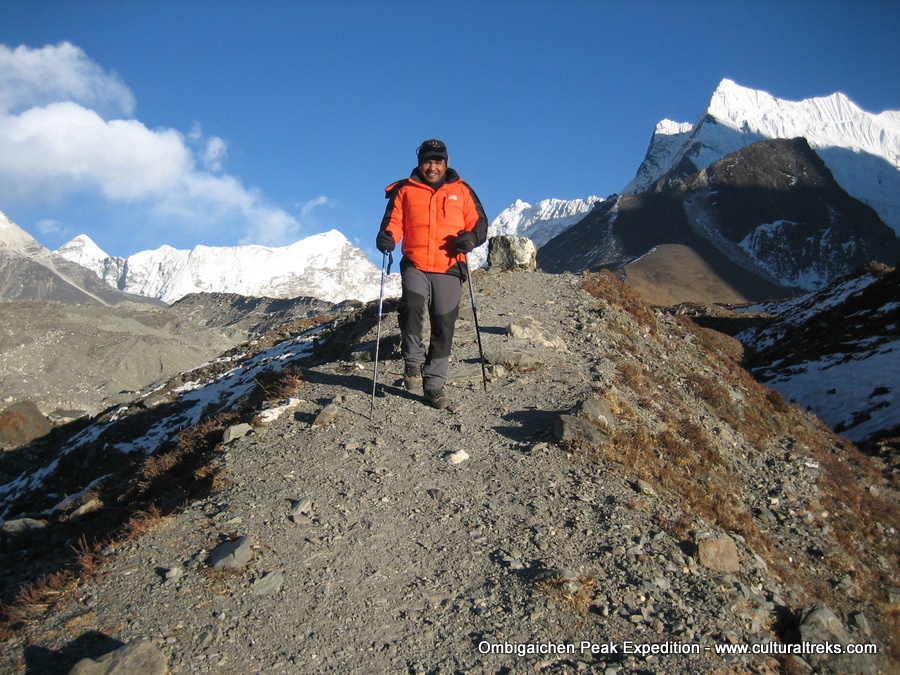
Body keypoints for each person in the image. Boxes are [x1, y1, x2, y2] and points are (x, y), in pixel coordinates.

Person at [376, 139, 488, 409]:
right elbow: (394, 221)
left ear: (446, 163)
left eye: (438, 161)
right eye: (428, 161)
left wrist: (471, 239)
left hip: (450, 266)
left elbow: (479, 223)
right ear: (420, 163)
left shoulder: (462, 191)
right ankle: (413, 363)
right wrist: (388, 237)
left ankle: (434, 384)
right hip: (415, 262)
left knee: (444, 325)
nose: (432, 166)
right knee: (411, 306)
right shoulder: (405, 190)